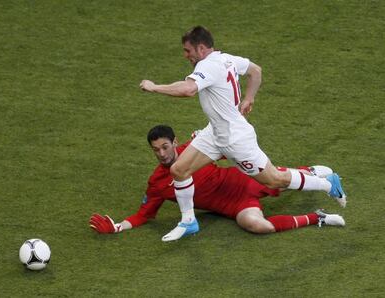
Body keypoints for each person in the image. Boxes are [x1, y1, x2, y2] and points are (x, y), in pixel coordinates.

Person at [139, 26, 346, 241]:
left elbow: (188, 89)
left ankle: (328, 184)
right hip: (215, 132)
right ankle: (189, 221)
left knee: (274, 180)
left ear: (201, 48)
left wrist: (154, 87)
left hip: (234, 139)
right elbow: (255, 70)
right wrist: (249, 98)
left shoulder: (208, 65)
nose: (185, 55)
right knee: (179, 170)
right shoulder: (226, 58)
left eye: (187, 50)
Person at [89, 125, 345, 238]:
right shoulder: (156, 182)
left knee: (277, 178)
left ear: (175, 142)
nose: (162, 153)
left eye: (165, 146)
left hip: (242, 181)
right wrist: (118, 227)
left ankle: (307, 172)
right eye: (156, 149)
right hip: (234, 208)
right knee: (259, 227)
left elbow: (230, 150)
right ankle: (317, 217)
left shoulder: (194, 149)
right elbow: (144, 214)